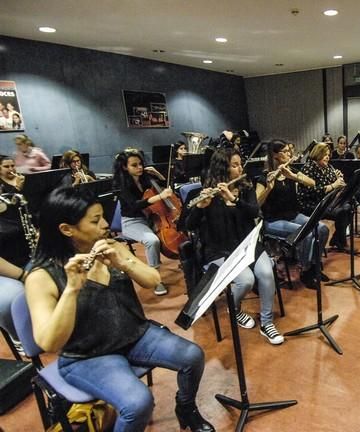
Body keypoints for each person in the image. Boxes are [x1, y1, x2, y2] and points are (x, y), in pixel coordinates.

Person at [24, 187, 214, 432]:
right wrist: (71, 290)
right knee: (138, 403)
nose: (105, 224)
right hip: (88, 355)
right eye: (95, 220)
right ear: (66, 229)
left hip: (135, 334)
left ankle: (186, 408)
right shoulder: (41, 276)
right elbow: (48, 342)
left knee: (192, 356)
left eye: (102, 216)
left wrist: (124, 263)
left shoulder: (109, 246)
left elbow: (153, 279)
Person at [186, 148, 284, 344]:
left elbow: (254, 212)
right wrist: (200, 207)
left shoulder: (246, 188)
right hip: (219, 249)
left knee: (266, 273)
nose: (240, 168)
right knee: (246, 280)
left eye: (240, 164)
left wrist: (234, 199)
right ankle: (236, 308)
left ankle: (266, 323)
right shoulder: (203, 193)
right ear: (223, 168)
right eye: (235, 165)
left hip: (247, 245)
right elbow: (188, 226)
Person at [256, 140, 329, 289]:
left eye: (289, 150)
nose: (290, 154)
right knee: (307, 234)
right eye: (285, 151)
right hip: (273, 221)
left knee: (322, 229)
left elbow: (312, 183)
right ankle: (306, 271)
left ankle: (314, 266)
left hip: (293, 215)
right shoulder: (264, 177)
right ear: (275, 155)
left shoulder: (290, 171)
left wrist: (293, 177)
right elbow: (256, 203)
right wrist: (269, 188)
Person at [112, 149, 171, 296]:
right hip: (131, 221)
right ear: (125, 167)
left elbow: (164, 186)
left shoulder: (145, 178)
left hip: (150, 217)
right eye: (134, 165)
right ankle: (156, 279)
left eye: (141, 164)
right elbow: (134, 205)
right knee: (152, 241)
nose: (140, 167)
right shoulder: (120, 184)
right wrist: (158, 197)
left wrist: (157, 174)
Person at [0, 155, 31, 355]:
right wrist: (24, 275)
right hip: (7, 269)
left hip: (26, 258)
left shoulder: (14, 203)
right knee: (12, 298)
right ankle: (20, 337)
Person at [297, 143, 348, 250]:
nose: (327, 157)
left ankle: (337, 239)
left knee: (348, 207)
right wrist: (334, 185)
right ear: (317, 154)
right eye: (325, 154)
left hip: (324, 202)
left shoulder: (328, 167)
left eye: (328, 155)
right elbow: (313, 191)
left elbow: (335, 186)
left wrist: (339, 180)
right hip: (311, 205)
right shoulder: (308, 168)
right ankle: (340, 242)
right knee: (341, 212)